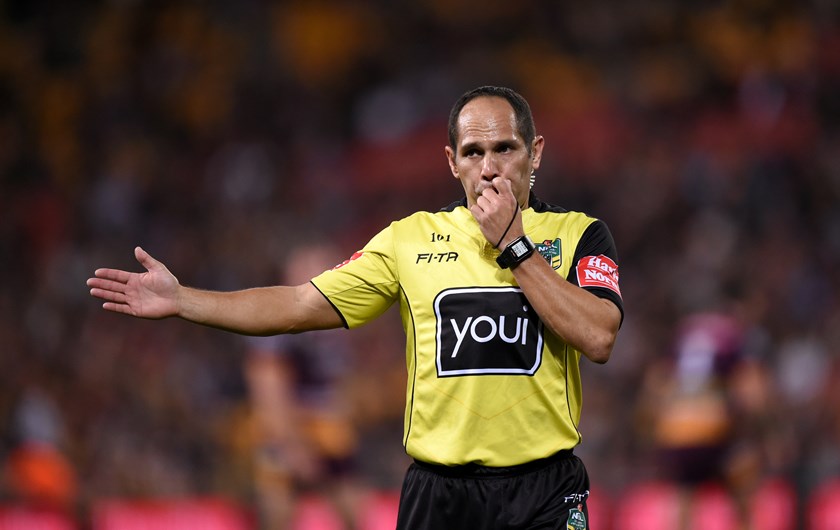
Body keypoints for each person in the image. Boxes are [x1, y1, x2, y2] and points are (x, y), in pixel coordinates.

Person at [87, 86, 624, 530]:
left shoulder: (580, 235)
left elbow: (599, 337)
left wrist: (514, 247)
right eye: (472, 152)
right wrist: (184, 299)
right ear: (451, 161)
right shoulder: (410, 239)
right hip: (441, 495)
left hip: (544, 493)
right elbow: (298, 304)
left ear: (536, 153)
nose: (489, 168)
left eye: (504, 148)